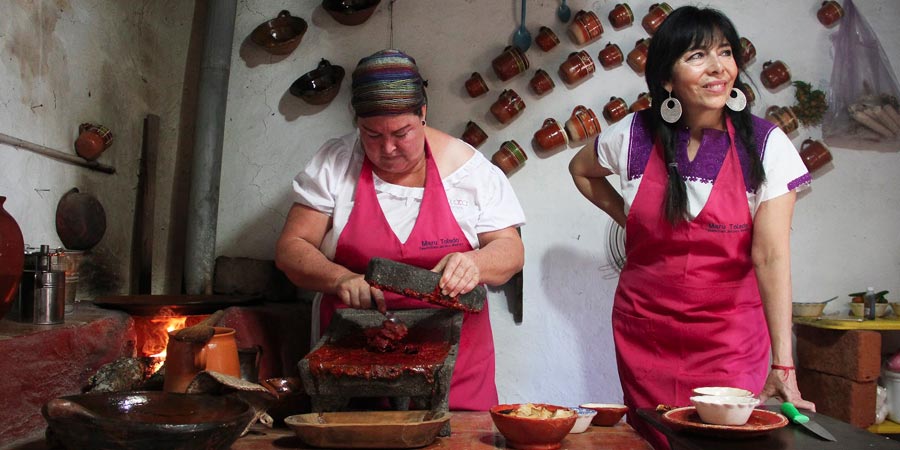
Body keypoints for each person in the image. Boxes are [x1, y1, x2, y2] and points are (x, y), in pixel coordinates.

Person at [568, 6, 814, 448]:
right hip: (646, 336)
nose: (718, 68)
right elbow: (581, 169)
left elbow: (771, 256)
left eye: (725, 52)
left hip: (730, 340)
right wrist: (631, 222)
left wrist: (784, 365)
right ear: (666, 78)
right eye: (698, 55)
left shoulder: (765, 145)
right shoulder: (633, 135)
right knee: (653, 440)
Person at [275, 49, 525, 411]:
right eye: (372, 134)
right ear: (356, 122)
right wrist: (339, 278)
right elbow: (291, 247)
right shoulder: (335, 163)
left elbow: (510, 251)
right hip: (355, 368)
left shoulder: (468, 171)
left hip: (456, 373)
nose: (387, 148)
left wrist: (475, 263)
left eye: (401, 133)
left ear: (422, 114)